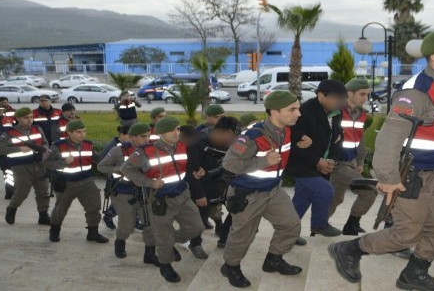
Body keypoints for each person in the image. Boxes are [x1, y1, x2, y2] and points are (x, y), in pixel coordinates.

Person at [329, 29, 434, 291]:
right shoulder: (417, 92)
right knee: (407, 234)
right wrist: (389, 180)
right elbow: (388, 140)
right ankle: (348, 249)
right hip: (412, 176)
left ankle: (414, 273)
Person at [219, 91, 305, 288]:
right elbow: (229, 163)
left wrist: (301, 143)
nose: (298, 113)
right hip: (248, 194)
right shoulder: (252, 136)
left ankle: (273, 260)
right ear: (274, 112)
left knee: (291, 225)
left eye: (298, 108)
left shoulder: (286, 129)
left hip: (273, 190)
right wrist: (262, 161)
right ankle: (230, 266)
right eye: (292, 109)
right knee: (243, 235)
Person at [121, 116, 206, 283]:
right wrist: (149, 183)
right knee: (163, 236)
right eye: (172, 130)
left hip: (183, 195)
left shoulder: (183, 145)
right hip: (161, 200)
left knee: (197, 227)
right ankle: (165, 265)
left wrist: (199, 170)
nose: (176, 133)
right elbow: (127, 169)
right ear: (160, 133)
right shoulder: (146, 151)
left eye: (178, 129)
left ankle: (169, 242)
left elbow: (184, 165)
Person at [285, 79, 347, 237]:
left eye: (341, 99)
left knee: (300, 202)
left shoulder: (337, 114)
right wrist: (317, 161)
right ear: (321, 95)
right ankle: (319, 225)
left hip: (323, 165)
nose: (339, 102)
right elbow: (295, 144)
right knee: (325, 190)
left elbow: (338, 140)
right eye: (336, 98)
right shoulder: (304, 112)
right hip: (302, 165)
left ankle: (288, 235)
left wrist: (331, 160)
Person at [97, 123, 159, 265]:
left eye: (149, 136)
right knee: (128, 224)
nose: (147, 139)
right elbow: (101, 166)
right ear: (132, 137)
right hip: (123, 191)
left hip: (145, 190)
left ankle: (149, 253)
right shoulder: (118, 150)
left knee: (149, 222)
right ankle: (120, 242)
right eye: (143, 136)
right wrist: (121, 169)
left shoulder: (150, 149)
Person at [44, 120, 109, 244]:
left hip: (87, 181)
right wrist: (63, 162)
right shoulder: (58, 146)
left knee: (94, 207)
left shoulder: (88, 144)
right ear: (69, 132)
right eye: (79, 132)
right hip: (66, 183)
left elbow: (96, 159)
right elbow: (46, 162)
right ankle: (54, 231)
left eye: (84, 131)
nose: (82, 134)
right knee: (60, 209)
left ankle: (93, 232)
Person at [328, 78, 377, 236]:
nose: (365, 98)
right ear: (349, 93)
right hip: (337, 163)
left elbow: (360, 139)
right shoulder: (335, 111)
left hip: (351, 162)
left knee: (335, 198)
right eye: (362, 94)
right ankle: (351, 225)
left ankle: (319, 224)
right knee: (370, 190)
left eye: (367, 95)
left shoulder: (361, 113)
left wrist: (360, 161)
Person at [187, 116, 239, 248]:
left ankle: (223, 236)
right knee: (200, 219)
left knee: (234, 210)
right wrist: (199, 194)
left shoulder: (230, 142)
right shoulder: (198, 142)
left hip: (221, 184)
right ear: (223, 132)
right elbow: (192, 171)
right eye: (231, 136)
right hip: (203, 187)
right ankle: (195, 244)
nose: (233, 141)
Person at [0, 107, 51, 225]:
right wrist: (19, 148)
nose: (29, 120)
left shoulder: (38, 129)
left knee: (44, 191)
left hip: (39, 164)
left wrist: (44, 151)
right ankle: (12, 208)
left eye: (31, 117)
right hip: (21, 166)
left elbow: (45, 142)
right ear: (18, 118)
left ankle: (43, 215)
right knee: (22, 192)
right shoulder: (9, 133)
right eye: (26, 118)